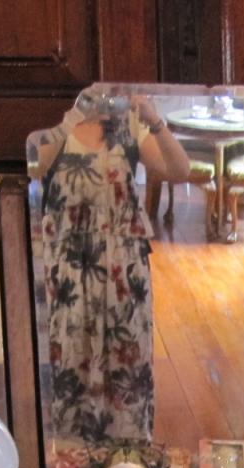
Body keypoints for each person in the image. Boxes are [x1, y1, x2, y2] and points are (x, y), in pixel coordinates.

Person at [40, 94, 190, 445]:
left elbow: (180, 170)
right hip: (69, 271)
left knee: (127, 364)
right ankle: (75, 462)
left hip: (124, 269)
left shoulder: (129, 125)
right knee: (72, 359)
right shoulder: (53, 124)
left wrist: (154, 120)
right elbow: (34, 166)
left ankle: (128, 460)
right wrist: (71, 113)